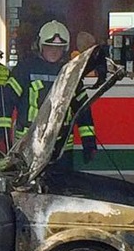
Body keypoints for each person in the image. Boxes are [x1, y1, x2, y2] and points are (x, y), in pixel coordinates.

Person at [8, 20, 97, 170]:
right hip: (30, 143)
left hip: (61, 147)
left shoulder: (70, 72)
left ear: (65, 48)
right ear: (40, 46)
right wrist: (2, 134)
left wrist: (89, 141)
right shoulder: (25, 69)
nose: (54, 51)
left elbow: (82, 109)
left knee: (61, 188)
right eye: (49, 47)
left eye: (59, 48)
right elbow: (7, 100)